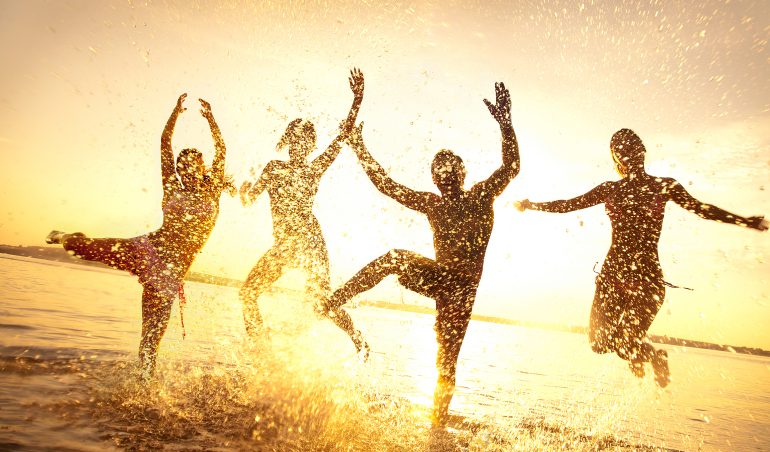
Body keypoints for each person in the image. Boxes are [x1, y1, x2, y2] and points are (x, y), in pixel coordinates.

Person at [326, 82, 520, 425]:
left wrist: (506, 123)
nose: (443, 173)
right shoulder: (432, 203)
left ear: (461, 173)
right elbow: (387, 185)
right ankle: (337, 298)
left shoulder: (480, 196)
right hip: (441, 280)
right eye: (438, 170)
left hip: (461, 291)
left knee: (446, 361)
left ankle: (437, 423)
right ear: (433, 178)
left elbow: (511, 167)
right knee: (394, 257)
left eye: (449, 168)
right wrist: (359, 148)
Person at [516, 128, 767, 386]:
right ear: (617, 159)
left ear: (642, 151)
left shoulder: (664, 186)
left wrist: (744, 221)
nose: (628, 153)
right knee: (599, 344)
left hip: (647, 282)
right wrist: (533, 205)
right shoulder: (610, 189)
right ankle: (642, 354)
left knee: (625, 346)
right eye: (621, 150)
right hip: (613, 277)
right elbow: (569, 204)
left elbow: (701, 209)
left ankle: (652, 356)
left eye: (632, 146)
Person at [46, 94, 232, 380]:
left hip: (167, 278)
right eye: (182, 168)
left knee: (149, 344)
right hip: (145, 250)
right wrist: (174, 115)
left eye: (192, 166)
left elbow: (222, 149)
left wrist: (211, 120)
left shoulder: (212, 193)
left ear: (202, 167)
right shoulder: (172, 188)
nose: (186, 171)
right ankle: (64, 237)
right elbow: (164, 145)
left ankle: (143, 393)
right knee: (87, 249)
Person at [239, 69, 367, 353]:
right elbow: (249, 201)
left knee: (320, 304)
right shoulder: (273, 169)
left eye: (304, 142)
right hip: (285, 246)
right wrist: (242, 190)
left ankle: (358, 340)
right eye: (294, 140)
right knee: (248, 293)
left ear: (310, 146)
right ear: (287, 141)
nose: (298, 146)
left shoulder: (314, 170)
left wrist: (357, 99)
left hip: (310, 245)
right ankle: (262, 351)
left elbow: (342, 137)